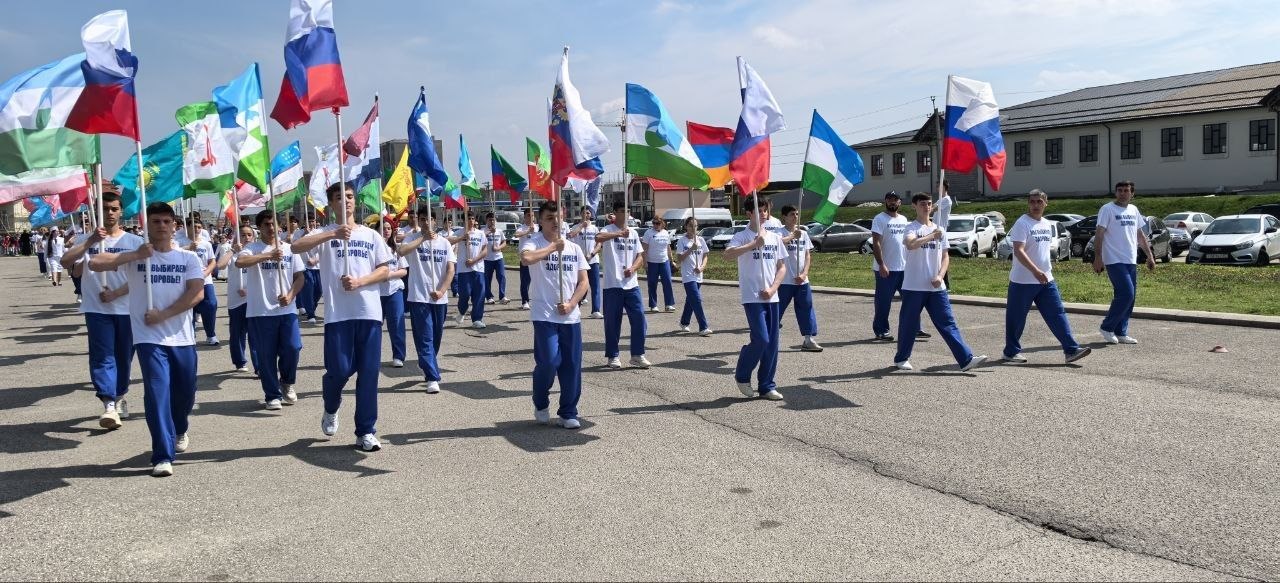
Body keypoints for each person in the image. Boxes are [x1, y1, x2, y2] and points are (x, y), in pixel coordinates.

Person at [89, 201, 205, 477]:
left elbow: (196, 293)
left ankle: (180, 428)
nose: (161, 226)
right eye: (156, 221)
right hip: (148, 338)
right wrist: (134, 255)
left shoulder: (188, 258)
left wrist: (164, 314)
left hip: (181, 337)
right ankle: (162, 455)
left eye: (166, 221)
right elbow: (95, 263)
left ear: (174, 226)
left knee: (185, 394)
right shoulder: (137, 255)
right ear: (147, 225)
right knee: (156, 393)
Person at [291, 182, 393, 452]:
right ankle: (331, 406)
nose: (346, 201)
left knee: (369, 374)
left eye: (349, 196)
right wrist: (333, 234)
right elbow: (296, 247)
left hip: (368, 312)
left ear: (354, 201)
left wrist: (360, 282)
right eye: (339, 197)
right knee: (338, 371)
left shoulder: (371, 235)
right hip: (338, 315)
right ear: (331, 204)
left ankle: (366, 431)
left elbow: (384, 270)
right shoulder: (324, 234)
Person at [61, 192, 143, 429]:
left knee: (124, 358)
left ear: (121, 211)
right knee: (102, 356)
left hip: (127, 309)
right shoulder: (86, 239)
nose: (109, 213)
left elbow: (141, 279)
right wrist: (90, 242)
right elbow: (66, 262)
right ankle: (108, 404)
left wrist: (116, 293)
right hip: (96, 309)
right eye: (105, 208)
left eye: (114, 208)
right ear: (97, 211)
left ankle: (119, 395)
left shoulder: (134, 242)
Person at [892, 193, 987, 372]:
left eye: (929, 203)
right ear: (914, 206)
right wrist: (931, 236)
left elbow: (945, 256)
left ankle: (965, 359)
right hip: (914, 286)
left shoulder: (939, 229)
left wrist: (940, 276)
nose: (926, 207)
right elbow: (910, 244)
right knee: (908, 324)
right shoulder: (911, 227)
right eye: (922, 204)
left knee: (948, 323)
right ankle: (902, 358)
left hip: (936, 287)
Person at [520, 201, 590, 429]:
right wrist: (552, 248)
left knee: (571, 365)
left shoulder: (574, 248)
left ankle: (568, 412)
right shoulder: (533, 242)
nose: (555, 222)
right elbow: (526, 259)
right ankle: (540, 402)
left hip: (570, 316)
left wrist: (571, 304)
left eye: (558, 217)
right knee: (549, 362)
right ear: (541, 221)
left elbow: (584, 282)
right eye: (550, 218)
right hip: (544, 315)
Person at [1004, 190, 1092, 364]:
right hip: (1023, 280)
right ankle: (1010, 352)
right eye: (1032, 202)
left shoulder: (1046, 224)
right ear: (1028, 204)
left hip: (1046, 279)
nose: (1035, 205)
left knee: (1057, 313)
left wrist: (1044, 270)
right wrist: (1035, 270)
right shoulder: (1022, 223)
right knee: (1016, 318)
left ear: (1046, 203)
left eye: (1039, 201)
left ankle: (1071, 350)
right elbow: (1018, 251)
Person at [237, 211, 306, 410]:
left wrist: (291, 295)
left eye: (273, 223)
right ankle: (272, 395)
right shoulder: (252, 248)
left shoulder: (290, 249)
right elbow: (240, 262)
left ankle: (287, 382)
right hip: (261, 311)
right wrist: (268, 255)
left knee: (293, 347)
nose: (270, 228)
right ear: (259, 228)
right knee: (266, 356)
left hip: (287, 309)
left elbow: (300, 277)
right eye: (266, 224)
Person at [724, 197, 788, 400]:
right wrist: (754, 244)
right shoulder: (742, 236)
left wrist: (773, 288)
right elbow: (727, 255)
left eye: (765, 211)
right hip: (752, 296)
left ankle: (767, 385)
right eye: (759, 211)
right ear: (749, 214)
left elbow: (782, 267)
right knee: (761, 339)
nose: (763, 214)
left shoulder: (775, 238)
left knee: (772, 344)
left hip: (772, 297)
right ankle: (742, 375)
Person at [399, 207, 455, 393]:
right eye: (422, 219)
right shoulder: (412, 238)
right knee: (425, 338)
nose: (425, 222)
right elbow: (401, 251)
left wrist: (442, 290)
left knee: (435, 338)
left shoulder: (444, 243)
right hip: (419, 297)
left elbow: (450, 269)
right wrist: (422, 239)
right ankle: (432, 377)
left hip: (439, 298)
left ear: (434, 221)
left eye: (428, 219)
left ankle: (427, 362)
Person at [1093, 180, 1156, 345]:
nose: (1122, 193)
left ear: (1132, 193)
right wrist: (1098, 257)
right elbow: (1099, 233)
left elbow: (1140, 234)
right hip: (1114, 259)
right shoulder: (1107, 209)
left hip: (1130, 259)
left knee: (1130, 297)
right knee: (1126, 294)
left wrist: (1149, 256)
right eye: (1119, 190)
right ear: (1115, 193)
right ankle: (1107, 327)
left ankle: (1121, 332)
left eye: (1126, 190)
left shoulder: (1133, 209)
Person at [596, 201, 650, 369]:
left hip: (631, 285)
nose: (625, 214)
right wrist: (619, 233)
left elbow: (640, 256)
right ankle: (613, 355)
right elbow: (598, 238)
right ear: (614, 213)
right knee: (612, 322)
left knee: (639, 318)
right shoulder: (608, 229)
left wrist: (633, 268)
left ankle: (637, 354)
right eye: (621, 211)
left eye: (627, 211)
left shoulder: (633, 233)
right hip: (613, 284)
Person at [870, 192, 930, 342]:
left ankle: (915, 329)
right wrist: (881, 264)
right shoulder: (879, 219)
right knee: (883, 303)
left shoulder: (903, 219)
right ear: (885, 201)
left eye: (895, 200)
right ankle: (881, 331)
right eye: (889, 200)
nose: (892, 202)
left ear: (899, 202)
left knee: (912, 300)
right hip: (886, 269)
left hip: (905, 269)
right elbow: (876, 243)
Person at [776, 205, 822, 352]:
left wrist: (804, 274)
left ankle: (808, 339)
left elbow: (807, 255)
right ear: (784, 217)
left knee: (806, 308)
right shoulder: (778, 233)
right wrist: (791, 237)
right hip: (784, 281)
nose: (795, 217)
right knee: (776, 311)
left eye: (796, 214)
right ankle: (768, 339)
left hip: (802, 281)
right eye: (791, 214)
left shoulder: (803, 233)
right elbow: (776, 244)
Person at [223, 226, 259, 375]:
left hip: (254, 299)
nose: (246, 238)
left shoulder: (257, 252)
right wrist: (232, 250)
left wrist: (249, 291)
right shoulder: (232, 253)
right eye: (243, 235)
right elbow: (220, 265)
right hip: (236, 300)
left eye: (249, 235)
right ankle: (240, 361)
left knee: (255, 335)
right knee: (237, 333)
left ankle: (259, 366)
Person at [447, 211, 488, 329]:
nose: (470, 221)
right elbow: (447, 241)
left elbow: (485, 250)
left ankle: (477, 319)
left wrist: (474, 260)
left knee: (479, 295)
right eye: (468, 218)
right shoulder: (459, 232)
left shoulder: (480, 234)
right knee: (464, 295)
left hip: (478, 268)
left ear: (475, 220)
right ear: (464, 220)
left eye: (472, 218)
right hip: (464, 270)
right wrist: (461, 238)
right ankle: (462, 311)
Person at [378, 222, 409, 368]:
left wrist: (389, 275)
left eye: (389, 228)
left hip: (394, 290)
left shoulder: (396, 248)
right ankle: (372, 355)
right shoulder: (373, 248)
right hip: (376, 292)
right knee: (374, 326)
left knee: (396, 324)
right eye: (383, 228)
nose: (386, 231)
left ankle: (398, 355)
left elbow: (403, 270)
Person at [674, 217, 711, 336]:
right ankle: (703, 327)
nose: (693, 228)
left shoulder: (701, 240)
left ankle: (684, 322)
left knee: (691, 300)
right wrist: (691, 249)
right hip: (688, 275)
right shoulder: (682, 241)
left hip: (698, 274)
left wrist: (702, 267)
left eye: (695, 226)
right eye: (690, 225)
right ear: (686, 226)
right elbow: (679, 258)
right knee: (696, 299)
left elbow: (705, 255)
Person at [185, 221, 219, 346]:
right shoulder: (179, 242)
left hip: (205, 279)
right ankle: (190, 335)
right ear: (187, 227)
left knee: (211, 305)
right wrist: (188, 247)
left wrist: (205, 273)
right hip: (186, 280)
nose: (197, 229)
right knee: (189, 307)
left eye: (199, 227)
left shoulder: (206, 243)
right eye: (194, 226)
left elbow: (212, 261)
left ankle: (211, 335)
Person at [568, 206, 602, 318]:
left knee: (595, 286)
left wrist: (592, 254)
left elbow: (599, 244)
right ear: (580, 214)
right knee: (580, 286)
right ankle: (575, 308)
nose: (586, 215)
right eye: (584, 213)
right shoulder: (576, 227)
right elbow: (570, 236)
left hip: (593, 261)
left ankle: (595, 310)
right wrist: (582, 226)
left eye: (588, 213)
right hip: (580, 262)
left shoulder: (595, 229)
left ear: (591, 215)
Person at [639, 216, 676, 313]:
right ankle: (653, 305)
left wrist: (672, 260)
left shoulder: (665, 233)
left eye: (657, 223)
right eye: (654, 223)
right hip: (652, 262)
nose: (655, 225)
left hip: (664, 261)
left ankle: (668, 304)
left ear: (662, 223)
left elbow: (668, 248)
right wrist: (644, 262)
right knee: (652, 284)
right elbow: (644, 249)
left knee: (667, 282)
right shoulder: (648, 233)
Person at [294, 217, 322, 325]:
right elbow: (294, 246)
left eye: (312, 221)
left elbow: (323, 248)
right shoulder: (298, 233)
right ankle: (311, 314)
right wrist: (304, 234)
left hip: (317, 266)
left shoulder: (319, 232)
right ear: (304, 222)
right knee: (308, 288)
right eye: (309, 221)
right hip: (304, 266)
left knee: (319, 290)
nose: (311, 223)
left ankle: (311, 307)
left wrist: (316, 259)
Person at [482, 212, 510, 305]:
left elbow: (504, 242)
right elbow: (481, 238)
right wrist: (490, 232)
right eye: (490, 220)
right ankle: (489, 297)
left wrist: (498, 248)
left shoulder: (499, 231)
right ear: (486, 221)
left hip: (498, 258)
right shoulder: (483, 231)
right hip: (487, 259)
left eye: (494, 220)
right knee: (487, 278)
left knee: (501, 276)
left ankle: (502, 296)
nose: (492, 222)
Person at [932, 180, 954, 289]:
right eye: (937, 186)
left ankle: (946, 284)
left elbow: (933, 208)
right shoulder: (940, 199)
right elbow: (932, 206)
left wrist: (922, 208)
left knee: (942, 257)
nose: (938, 188)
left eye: (940, 186)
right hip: (935, 231)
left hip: (941, 232)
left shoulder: (947, 200)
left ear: (945, 187)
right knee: (936, 257)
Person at [515, 209, 537, 310]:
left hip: (536, 258)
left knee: (538, 281)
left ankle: (538, 300)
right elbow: (516, 235)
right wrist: (528, 231)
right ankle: (525, 301)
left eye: (532, 215)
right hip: (526, 259)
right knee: (525, 281)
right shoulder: (521, 228)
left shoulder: (538, 228)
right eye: (528, 215)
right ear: (524, 217)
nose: (531, 217)